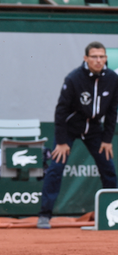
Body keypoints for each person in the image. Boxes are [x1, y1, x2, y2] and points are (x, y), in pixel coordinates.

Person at [37, 41, 118, 229]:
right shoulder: (74, 78)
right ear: (86, 58)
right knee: (56, 168)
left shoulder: (113, 79)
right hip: (70, 128)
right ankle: (44, 215)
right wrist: (62, 142)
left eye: (102, 57)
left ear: (106, 58)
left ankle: (113, 213)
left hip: (95, 130)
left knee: (108, 168)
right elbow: (61, 111)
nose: (98, 60)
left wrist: (107, 140)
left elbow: (113, 111)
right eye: (94, 57)